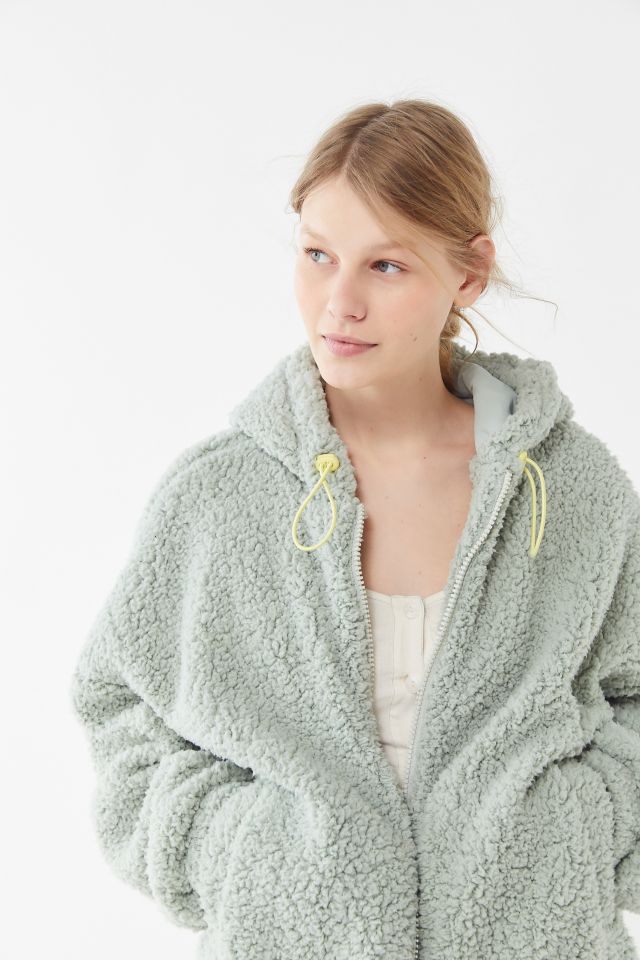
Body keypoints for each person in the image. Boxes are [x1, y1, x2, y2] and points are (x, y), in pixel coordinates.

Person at [69, 99, 640, 960]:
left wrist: (584, 829)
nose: (339, 303)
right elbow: (123, 708)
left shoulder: (569, 488)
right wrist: (232, 852)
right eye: (317, 255)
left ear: (469, 274)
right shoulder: (219, 496)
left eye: (386, 265)